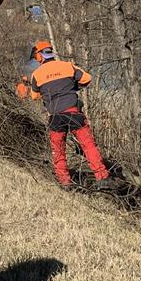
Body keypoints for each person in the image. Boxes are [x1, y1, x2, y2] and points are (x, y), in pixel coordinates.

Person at [28, 40, 114, 188]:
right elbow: (87, 78)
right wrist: (72, 85)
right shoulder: (67, 66)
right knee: (88, 146)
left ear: (39, 56)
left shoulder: (36, 75)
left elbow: (34, 96)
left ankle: (65, 182)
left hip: (55, 117)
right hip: (74, 113)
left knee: (59, 151)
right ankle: (102, 178)